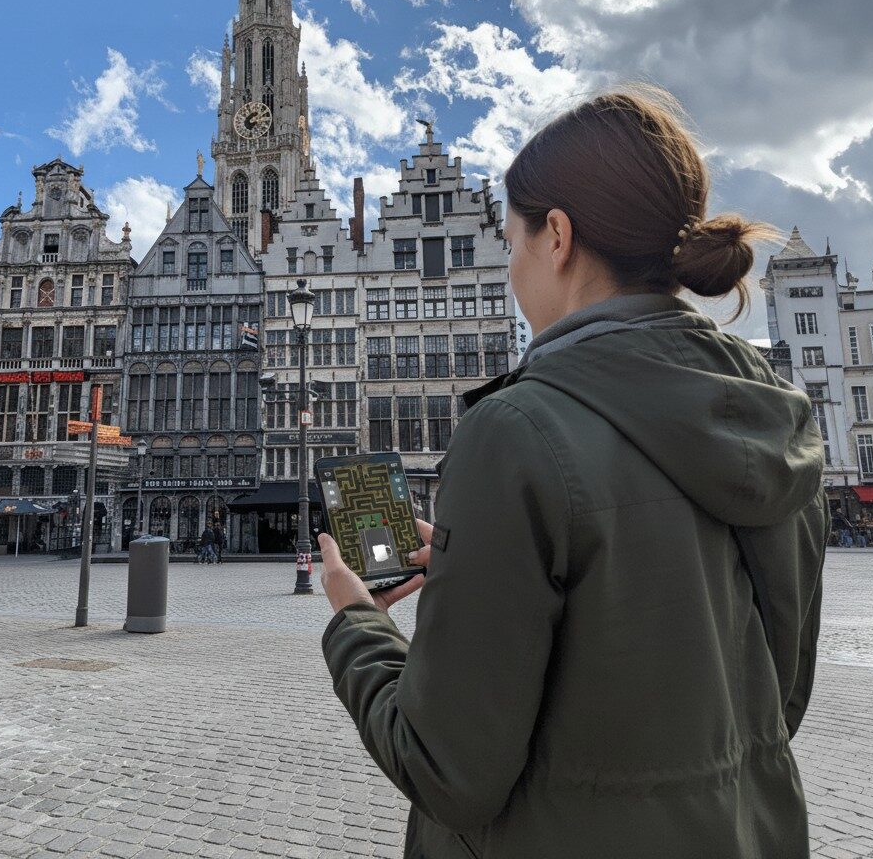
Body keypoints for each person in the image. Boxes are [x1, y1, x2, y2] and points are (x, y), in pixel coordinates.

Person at [317, 86, 828, 859]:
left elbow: (448, 769)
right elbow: (771, 704)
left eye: (512, 243)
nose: (511, 269)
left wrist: (357, 622)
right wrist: (481, 564)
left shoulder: (515, 432)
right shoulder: (777, 420)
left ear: (557, 236)